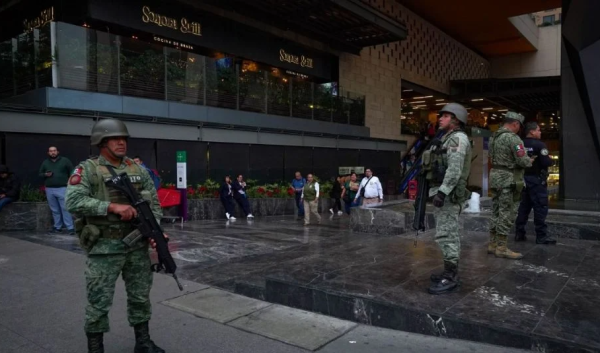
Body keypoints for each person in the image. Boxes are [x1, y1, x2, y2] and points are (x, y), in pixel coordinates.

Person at [65, 118, 166, 353]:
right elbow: (73, 201)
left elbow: (155, 205)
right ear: (101, 142)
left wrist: (155, 231)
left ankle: (143, 342)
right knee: (98, 301)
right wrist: (111, 207)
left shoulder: (138, 169)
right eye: (115, 139)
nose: (122, 143)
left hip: (136, 245)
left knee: (140, 296)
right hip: (104, 247)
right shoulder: (87, 169)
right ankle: (95, 348)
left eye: (124, 138)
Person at [422, 103, 472, 295]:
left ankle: (451, 276)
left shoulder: (457, 139)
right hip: (446, 193)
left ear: (455, 120)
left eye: (445, 116)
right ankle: (448, 270)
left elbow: (454, 169)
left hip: (449, 195)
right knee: (445, 232)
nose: (440, 119)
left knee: (447, 234)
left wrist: (442, 192)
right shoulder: (447, 138)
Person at [488, 112, 533, 260]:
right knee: (507, 213)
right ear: (515, 124)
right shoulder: (513, 138)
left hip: (495, 178)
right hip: (508, 180)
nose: (519, 129)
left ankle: (492, 244)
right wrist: (529, 160)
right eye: (519, 126)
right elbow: (523, 161)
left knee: (496, 211)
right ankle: (501, 248)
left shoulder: (494, 137)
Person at [515, 122, 555, 244]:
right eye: (538, 130)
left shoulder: (519, 144)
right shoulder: (540, 145)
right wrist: (551, 160)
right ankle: (541, 236)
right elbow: (545, 162)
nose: (540, 132)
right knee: (540, 207)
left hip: (522, 179)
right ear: (532, 132)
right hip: (537, 181)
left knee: (524, 207)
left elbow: (518, 159)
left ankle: (519, 233)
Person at [39, 146, 75, 235]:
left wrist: (70, 180)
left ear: (57, 152)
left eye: (54, 151)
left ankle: (70, 227)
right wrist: (45, 174)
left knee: (65, 208)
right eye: (51, 151)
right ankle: (57, 227)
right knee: (54, 209)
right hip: (49, 189)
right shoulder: (45, 162)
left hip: (62, 188)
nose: (53, 152)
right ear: (48, 153)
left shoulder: (65, 160)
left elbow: (72, 171)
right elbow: (40, 174)